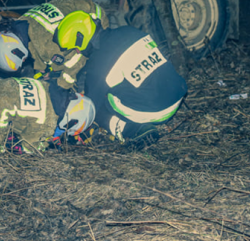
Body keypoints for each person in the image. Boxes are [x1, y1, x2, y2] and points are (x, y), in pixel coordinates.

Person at [54, 11, 189, 145]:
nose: (78, 52)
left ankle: (134, 130)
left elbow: (89, 107)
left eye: (76, 48)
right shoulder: (129, 30)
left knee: (99, 108)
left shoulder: (98, 64)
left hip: (159, 110)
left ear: (81, 39)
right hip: (177, 92)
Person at [0, 0, 109, 89]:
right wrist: (43, 70)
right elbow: (35, 48)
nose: (24, 62)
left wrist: (61, 85)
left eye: (22, 60)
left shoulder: (47, 46)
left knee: (95, 65)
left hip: (94, 20)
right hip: (80, 7)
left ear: (17, 52)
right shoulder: (22, 23)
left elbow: (77, 59)